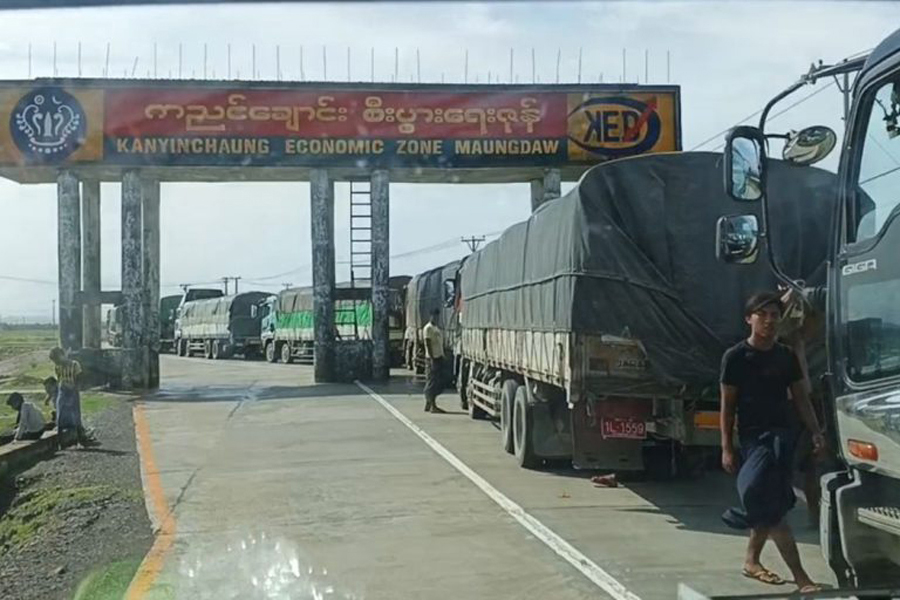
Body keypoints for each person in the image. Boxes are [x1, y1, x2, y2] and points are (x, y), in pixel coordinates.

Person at [719, 292, 824, 594]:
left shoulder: (786, 356)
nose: (769, 320)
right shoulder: (736, 357)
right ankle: (800, 576)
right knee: (758, 495)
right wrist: (726, 447)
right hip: (753, 439)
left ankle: (752, 560)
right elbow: (727, 406)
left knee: (769, 504)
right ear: (748, 319)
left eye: (775, 315)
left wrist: (816, 431)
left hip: (784, 437)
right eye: (762, 314)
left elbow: (801, 397)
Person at [49, 347, 95, 447]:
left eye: (57, 360)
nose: (56, 363)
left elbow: (79, 380)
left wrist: (74, 391)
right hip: (62, 390)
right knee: (60, 415)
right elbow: (59, 379)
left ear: (62, 355)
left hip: (72, 390)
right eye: (54, 361)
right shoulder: (58, 367)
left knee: (76, 416)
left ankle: (81, 439)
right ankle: (60, 442)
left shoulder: (74, 365)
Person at [422, 309, 446, 414]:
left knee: (437, 382)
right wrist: (431, 358)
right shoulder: (428, 328)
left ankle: (429, 403)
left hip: (439, 357)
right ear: (430, 316)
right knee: (432, 381)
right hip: (432, 358)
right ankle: (432, 405)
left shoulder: (436, 328)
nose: (436, 318)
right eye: (434, 316)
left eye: (437, 316)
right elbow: (428, 343)